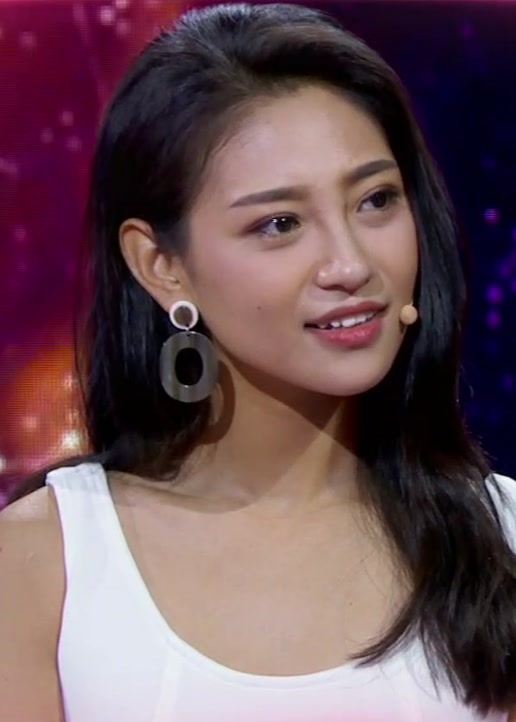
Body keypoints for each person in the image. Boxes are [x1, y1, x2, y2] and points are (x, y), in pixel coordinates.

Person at [1, 2, 515, 720]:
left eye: (376, 200)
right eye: (280, 223)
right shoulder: (44, 563)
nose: (349, 264)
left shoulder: (502, 540)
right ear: (162, 267)